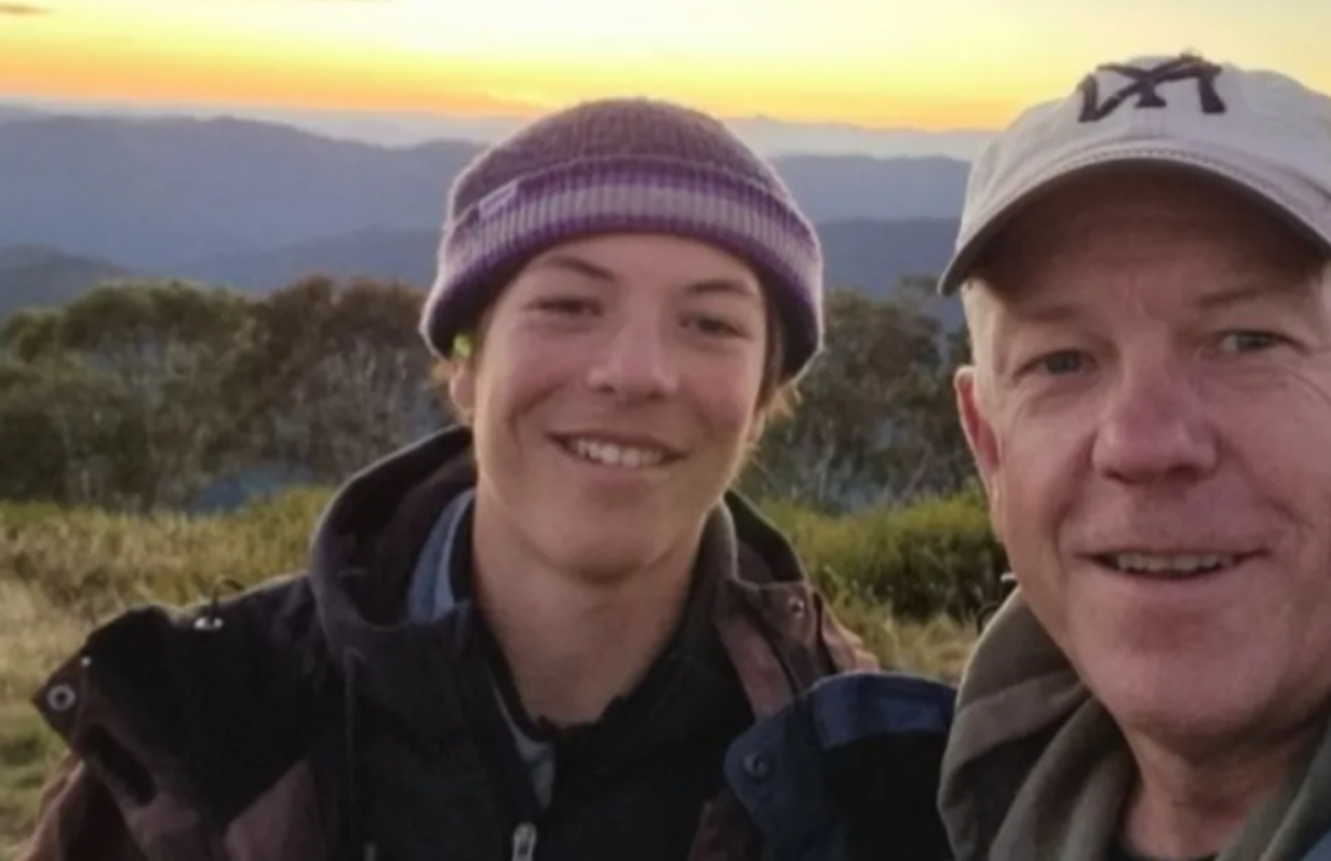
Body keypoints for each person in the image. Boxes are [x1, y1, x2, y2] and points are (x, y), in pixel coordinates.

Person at [18, 97, 955, 861]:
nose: (635, 371)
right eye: (568, 304)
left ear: (762, 401)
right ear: (465, 366)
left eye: (710, 324)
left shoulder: (852, 762)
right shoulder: (213, 722)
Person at [934, 52, 1331, 860]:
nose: (1143, 444)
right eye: (1062, 362)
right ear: (991, 449)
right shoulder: (879, 802)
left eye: (1247, 342)